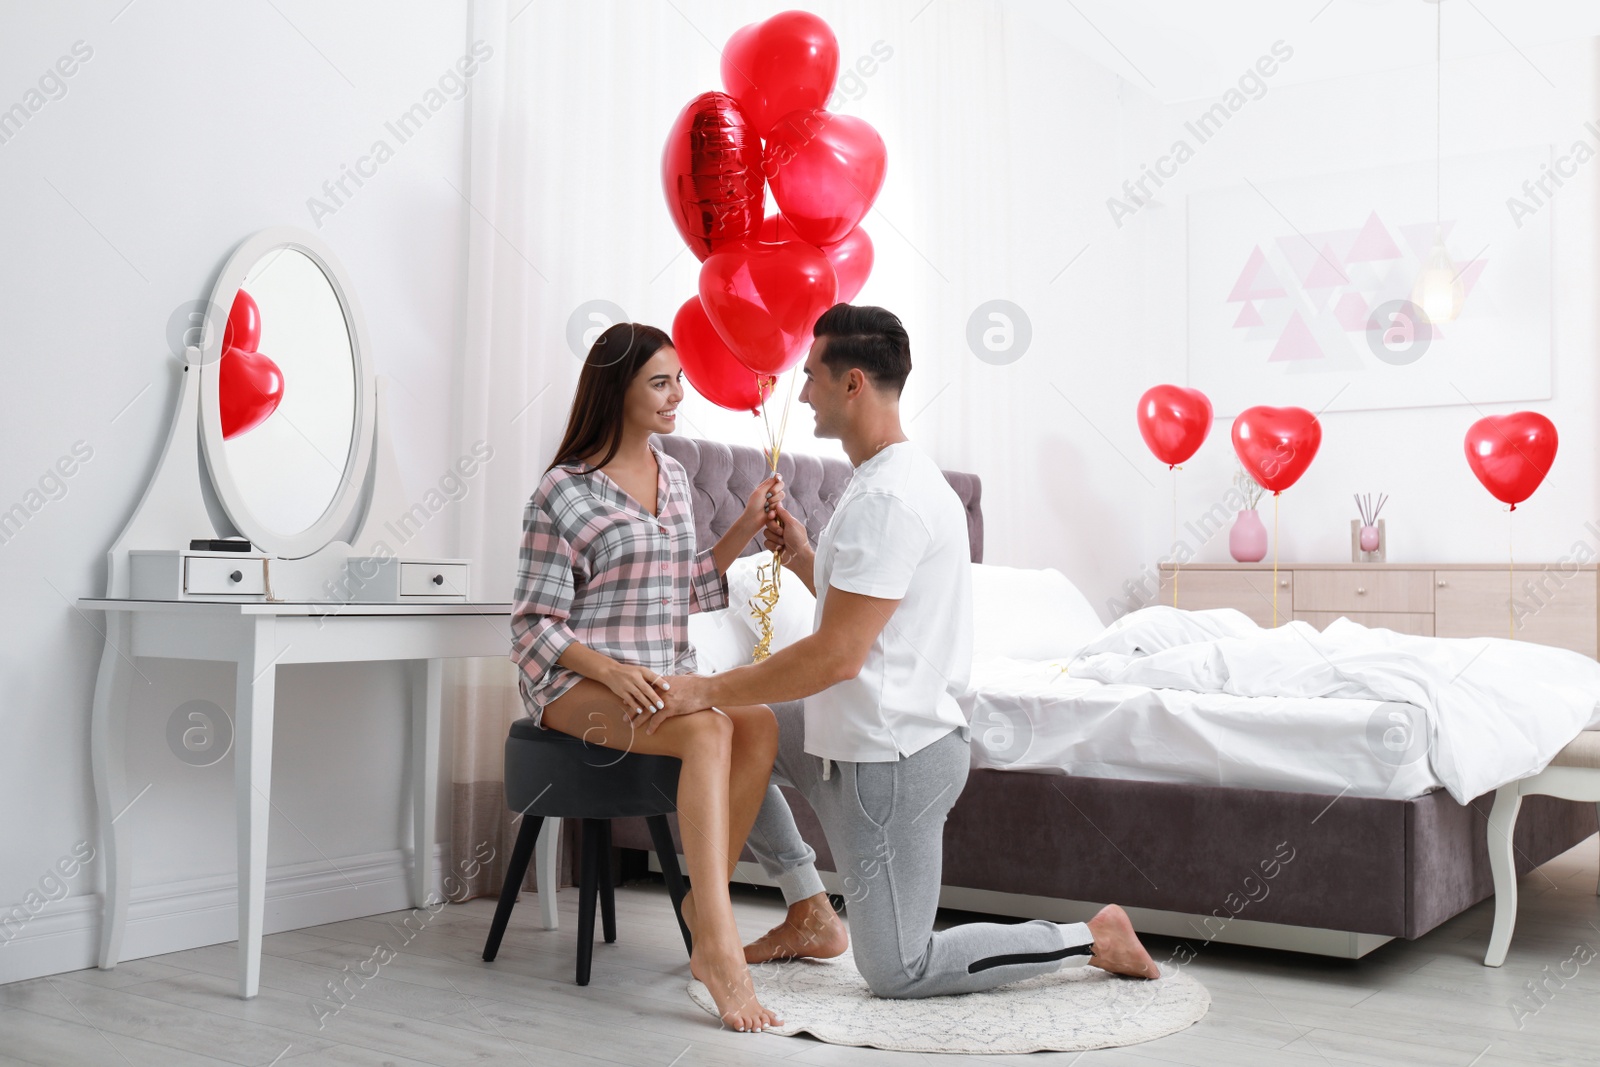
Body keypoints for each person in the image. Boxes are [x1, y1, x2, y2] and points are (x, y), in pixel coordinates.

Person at [650, 304, 1161, 1000]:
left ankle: (1090, 936)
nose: (800, 394)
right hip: (850, 739)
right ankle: (808, 907)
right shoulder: (886, 477)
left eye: (811, 378)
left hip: (892, 764)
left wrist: (703, 687)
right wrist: (806, 560)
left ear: (852, 383)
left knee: (899, 968)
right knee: (746, 729)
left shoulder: (888, 498)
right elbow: (880, 618)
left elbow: (837, 655)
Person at [510, 322, 788, 1032]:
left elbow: (686, 589)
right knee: (705, 729)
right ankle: (719, 950)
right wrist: (609, 667)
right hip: (576, 684)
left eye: (678, 379)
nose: (677, 395)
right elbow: (534, 623)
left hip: (660, 675)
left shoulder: (676, 476)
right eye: (660, 382)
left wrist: (746, 528)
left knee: (757, 721)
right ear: (618, 390)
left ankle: (701, 904)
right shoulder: (562, 493)